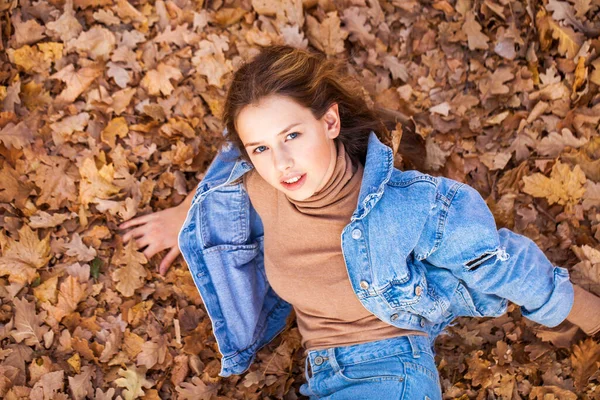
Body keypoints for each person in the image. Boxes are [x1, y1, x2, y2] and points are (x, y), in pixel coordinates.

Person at [120, 45, 600, 399]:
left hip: (389, 370)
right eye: (262, 147)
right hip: (320, 368)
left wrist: (589, 315)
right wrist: (186, 213)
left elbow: (501, 263)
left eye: (293, 134)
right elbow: (233, 160)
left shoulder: (407, 208)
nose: (282, 162)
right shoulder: (260, 186)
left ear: (329, 123)